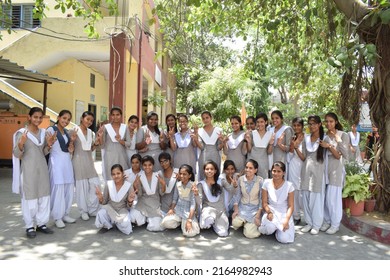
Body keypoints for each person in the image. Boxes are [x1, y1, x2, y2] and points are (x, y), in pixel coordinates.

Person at [12, 107, 56, 238]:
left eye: (40, 117)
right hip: (29, 170)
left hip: (42, 169)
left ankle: (41, 224)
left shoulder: (43, 133)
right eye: (35, 117)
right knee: (30, 197)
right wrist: (21, 144)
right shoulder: (22, 133)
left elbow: (43, 152)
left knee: (44, 196)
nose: (38, 119)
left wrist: (49, 145)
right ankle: (30, 226)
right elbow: (16, 154)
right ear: (29, 117)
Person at [320, 112, 349, 234]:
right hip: (325, 169)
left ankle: (335, 223)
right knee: (325, 198)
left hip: (336, 169)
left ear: (336, 122)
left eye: (331, 121)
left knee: (333, 198)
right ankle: (327, 221)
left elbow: (342, 155)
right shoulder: (324, 136)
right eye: (326, 121)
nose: (328, 124)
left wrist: (331, 145)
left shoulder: (343, 135)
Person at [47, 109, 77, 228]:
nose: (66, 121)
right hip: (56, 162)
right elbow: (48, 145)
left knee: (68, 186)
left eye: (68, 119)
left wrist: (72, 143)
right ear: (58, 117)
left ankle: (65, 214)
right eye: (64, 118)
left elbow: (68, 149)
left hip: (66, 162)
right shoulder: (51, 130)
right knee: (58, 188)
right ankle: (57, 216)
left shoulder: (66, 132)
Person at [69, 111, 101, 221]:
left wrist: (96, 143)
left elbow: (90, 149)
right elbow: (69, 148)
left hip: (89, 162)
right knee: (81, 188)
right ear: (82, 118)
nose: (89, 122)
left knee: (95, 184)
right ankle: (83, 211)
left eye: (91, 121)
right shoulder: (73, 130)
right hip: (78, 161)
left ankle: (92, 209)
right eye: (87, 119)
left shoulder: (91, 132)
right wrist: (72, 141)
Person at [300, 115, 326, 235]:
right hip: (306, 170)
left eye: (314, 123)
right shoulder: (306, 139)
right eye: (310, 124)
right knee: (305, 197)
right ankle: (309, 223)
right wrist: (296, 148)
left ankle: (316, 224)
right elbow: (304, 157)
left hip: (318, 171)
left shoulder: (324, 139)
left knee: (316, 199)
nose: (312, 126)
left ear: (320, 124)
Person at [258, 161, 295, 243]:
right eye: (274, 171)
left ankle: (277, 230)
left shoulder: (289, 186)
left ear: (284, 173)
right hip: (271, 212)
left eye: (279, 171)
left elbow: (291, 206)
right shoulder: (266, 183)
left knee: (284, 239)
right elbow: (264, 202)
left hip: (284, 213)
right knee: (269, 228)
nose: (276, 174)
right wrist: (269, 212)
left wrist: (286, 220)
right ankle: (271, 228)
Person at [95, 164, 135, 235]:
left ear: (122, 173)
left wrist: (130, 201)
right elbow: (104, 202)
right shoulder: (109, 184)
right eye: (113, 174)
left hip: (122, 210)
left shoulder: (128, 185)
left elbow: (129, 206)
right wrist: (100, 198)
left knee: (125, 225)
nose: (116, 176)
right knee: (101, 214)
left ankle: (116, 222)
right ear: (111, 175)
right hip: (110, 208)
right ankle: (107, 225)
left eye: (118, 173)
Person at [161, 164, 200, 237]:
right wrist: (171, 209)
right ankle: (180, 222)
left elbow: (193, 204)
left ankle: (185, 222)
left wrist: (189, 220)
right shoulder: (177, 184)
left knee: (189, 233)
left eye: (184, 174)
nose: (182, 176)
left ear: (190, 175)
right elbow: (175, 199)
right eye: (180, 174)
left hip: (188, 212)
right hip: (178, 210)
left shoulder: (193, 185)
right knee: (165, 222)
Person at [129, 155, 165, 231]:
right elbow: (139, 195)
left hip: (154, 205)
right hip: (142, 204)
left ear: (153, 165)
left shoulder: (157, 175)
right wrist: (135, 185)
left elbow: (161, 194)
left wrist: (163, 184)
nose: (147, 167)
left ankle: (149, 219)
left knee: (156, 227)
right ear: (142, 166)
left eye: (149, 165)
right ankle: (145, 219)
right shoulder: (140, 176)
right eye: (145, 165)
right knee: (132, 218)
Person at [194, 160, 229, 237]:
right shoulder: (201, 184)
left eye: (211, 169)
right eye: (207, 169)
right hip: (208, 209)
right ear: (204, 171)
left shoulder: (221, 181)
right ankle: (210, 221)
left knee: (223, 233)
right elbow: (199, 202)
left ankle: (215, 223)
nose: (209, 171)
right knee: (206, 223)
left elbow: (231, 190)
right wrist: (196, 194)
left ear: (215, 170)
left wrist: (234, 185)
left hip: (220, 211)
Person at [232, 159, 263, 239]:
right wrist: (236, 210)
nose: (247, 170)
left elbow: (261, 198)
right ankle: (245, 223)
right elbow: (237, 195)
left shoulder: (260, 180)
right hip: (243, 208)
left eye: (250, 168)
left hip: (254, 209)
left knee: (250, 234)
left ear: (255, 170)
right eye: (246, 167)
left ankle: (249, 224)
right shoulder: (241, 179)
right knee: (235, 223)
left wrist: (258, 215)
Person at [97, 107, 131, 180]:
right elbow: (102, 146)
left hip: (122, 157)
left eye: (117, 115)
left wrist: (120, 141)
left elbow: (129, 144)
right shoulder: (106, 127)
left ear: (121, 115)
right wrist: (100, 138)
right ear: (111, 116)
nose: (115, 117)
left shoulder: (125, 127)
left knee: (123, 178)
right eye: (113, 115)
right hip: (109, 157)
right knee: (111, 178)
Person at [287, 117, 305, 225]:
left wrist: (296, 147)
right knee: (294, 191)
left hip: (303, 166)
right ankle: (296, 215)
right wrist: (292, 146)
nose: (296, 127)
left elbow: (304, 157)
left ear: (302, 126)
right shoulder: (292, 138)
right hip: (293, 165)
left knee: (302, 192)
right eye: (294, 125)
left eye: (298, 125)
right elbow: (290, 154)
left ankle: (307, 216)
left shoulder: (306, 138)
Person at [196, 111, 224, 180]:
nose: (205, 120)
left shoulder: (218, 130)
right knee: (204, 175)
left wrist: (223, 141)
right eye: (203, 118)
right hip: (204, 156)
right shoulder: (200, 131)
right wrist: (195, 139)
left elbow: (219, 147)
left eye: (207, 118)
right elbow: (201, 147)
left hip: (215, 155)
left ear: (211, 118)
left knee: (215, 175)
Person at [246, 113, 274, 179]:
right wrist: (249, 142)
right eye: (258, 122)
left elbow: (269, 152)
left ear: (266, 122)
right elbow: (249, 150)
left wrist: (270, 144)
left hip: (263, 164)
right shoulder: (252, 133)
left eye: (262, 122)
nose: (259, 124)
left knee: (262, 183)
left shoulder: (270, 134)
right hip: (251, 162)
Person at [157, 152, 179, 216]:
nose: (164, 164)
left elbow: (177, 193)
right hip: (163, 206)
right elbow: (161, 193)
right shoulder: (160, 174)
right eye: (161, 162)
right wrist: (163, 185)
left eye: (165, 161)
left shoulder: (177, 172)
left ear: (170, 160)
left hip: (176, 205)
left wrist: (172, 207)